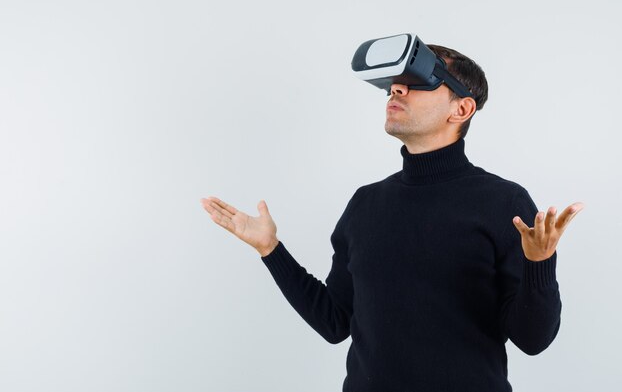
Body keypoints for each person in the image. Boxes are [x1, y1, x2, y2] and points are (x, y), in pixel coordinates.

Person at [200, 43, 584, 391]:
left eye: (417, 81)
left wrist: (539, 263)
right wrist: (271, 250)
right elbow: (335, 322)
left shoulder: (503, 202)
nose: (396, 90)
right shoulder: (366, 204)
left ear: (461, 108)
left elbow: (533, 341)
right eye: (394, 84)